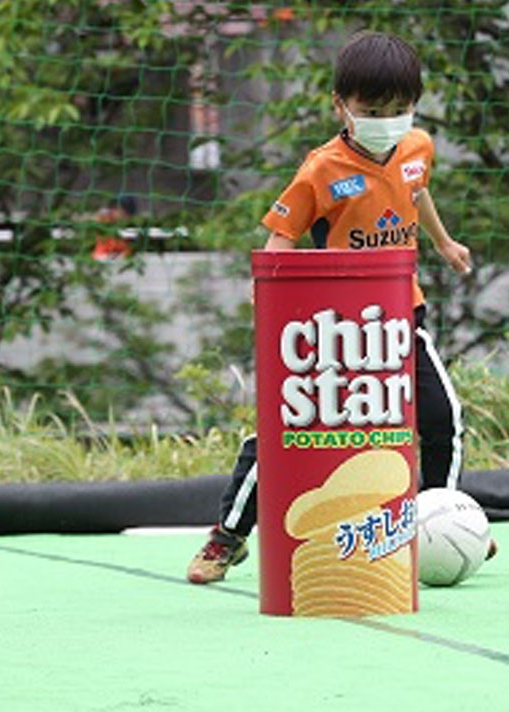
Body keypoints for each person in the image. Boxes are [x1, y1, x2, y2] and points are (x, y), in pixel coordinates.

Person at [187, 31, 490, 584]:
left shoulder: (418, 147)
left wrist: (444, 244)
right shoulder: (320, 170)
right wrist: (270, 300)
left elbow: (416, 192)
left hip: (400, 320)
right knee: (282, 427)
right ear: (341, 106)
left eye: (400, 109)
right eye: (373, 110)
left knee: (442, 416)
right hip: (336, 333)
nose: (387, 120)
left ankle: (439, 521)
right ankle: (227, 537)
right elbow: (279, 239)